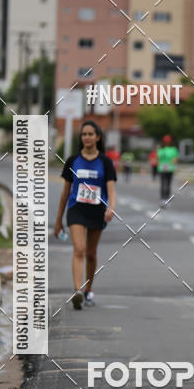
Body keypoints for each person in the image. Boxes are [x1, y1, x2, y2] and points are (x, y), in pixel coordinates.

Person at [54, 120, 117, 309]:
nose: (87, 137)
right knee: (79, 249)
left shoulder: (105, 162)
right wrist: (58, 220)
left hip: (97, 210)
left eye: (90, 134)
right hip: (76, 209)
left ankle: (88, 289)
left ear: (98, 137)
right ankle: (77, 291)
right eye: (84, 134)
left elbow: (111, 190)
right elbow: (65, 192)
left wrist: (111, 207)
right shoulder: (73, 161)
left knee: (91, 253)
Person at [157, 135, 178, 202]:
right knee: (165, 184)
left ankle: (165, 198)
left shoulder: (161, 149)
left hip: (166, 168)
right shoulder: (172, 149)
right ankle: (164, 198)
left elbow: (175, 159)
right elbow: (174, 160)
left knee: (166, 184)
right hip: (166, 168)